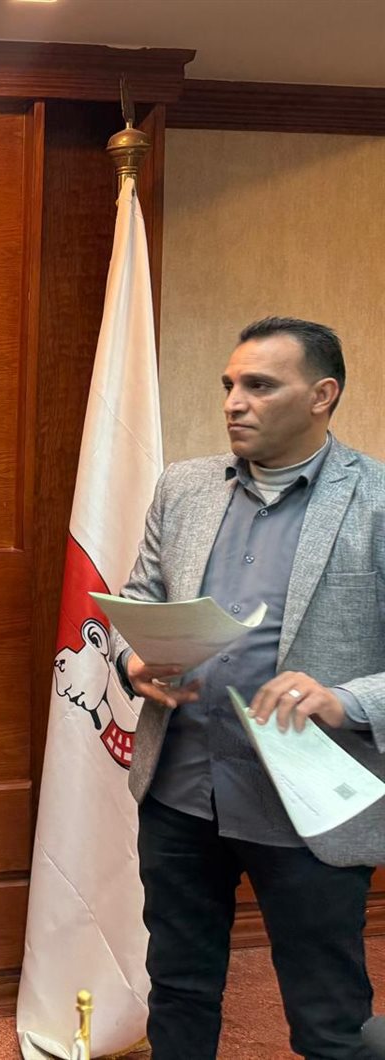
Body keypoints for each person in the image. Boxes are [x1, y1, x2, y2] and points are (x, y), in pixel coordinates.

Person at [115, 317, 385, 1060]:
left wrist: (344, 699)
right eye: (229, 384)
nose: (234, 401)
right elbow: (139, 600)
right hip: (182, 788)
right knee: (178, 990)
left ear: (322, 395)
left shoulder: (376, 501)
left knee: (329, 1023)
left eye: (260, 386)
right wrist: (133, 661)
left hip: (307, 804)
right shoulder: (184, 487)